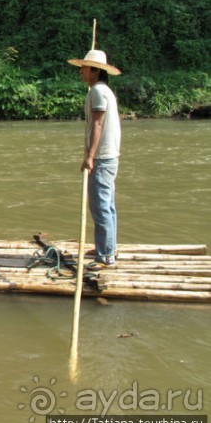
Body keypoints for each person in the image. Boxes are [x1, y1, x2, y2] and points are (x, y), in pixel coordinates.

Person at [68, 49, 122, 267]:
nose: (81, 71)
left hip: (102, 158)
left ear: (95, 71)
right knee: (107, 205)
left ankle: (106, 254)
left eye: (85, 68)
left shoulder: (98, 91)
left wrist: (90, 156)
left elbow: (98, 124)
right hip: (108, 156)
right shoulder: (101, 90)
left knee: (100, 207)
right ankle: (108, 247)